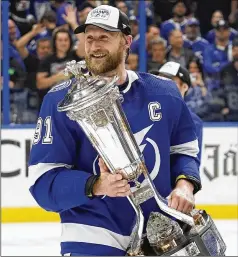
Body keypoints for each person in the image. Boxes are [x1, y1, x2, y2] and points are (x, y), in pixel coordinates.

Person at [28, 5, 201, 256]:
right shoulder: (61, 101)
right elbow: (43, 183)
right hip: (89, 234)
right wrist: (96, 185)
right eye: (90, 38)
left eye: (104, 38)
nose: (95, 46)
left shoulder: (164, 92)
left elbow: (184, 150)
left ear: (126, 41)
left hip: (159, 236)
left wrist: (185, 184)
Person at [158, 61, 203, 161]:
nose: (162, 84)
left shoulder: (192, 121)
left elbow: (190, 162)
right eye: (159, 79)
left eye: (169, 80)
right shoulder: (149, 113)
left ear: (184, 87)